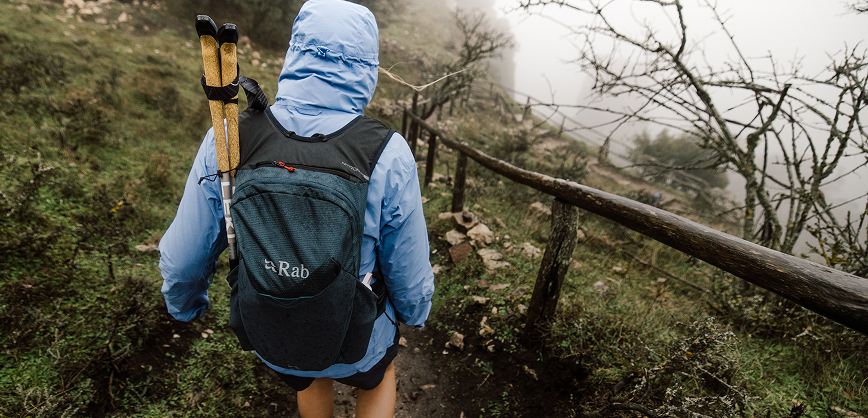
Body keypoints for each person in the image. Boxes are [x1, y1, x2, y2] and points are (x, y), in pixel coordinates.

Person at [158, 1, 435, 417]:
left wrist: (185, 305)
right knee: (378, 372)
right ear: (368, 68)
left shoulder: (230, 137)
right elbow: (408, 269)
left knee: (308, 370)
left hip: (273, 330)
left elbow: (182, 260)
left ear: (295, 52)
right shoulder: (386, 154)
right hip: (358, 336)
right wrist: (414, 313)